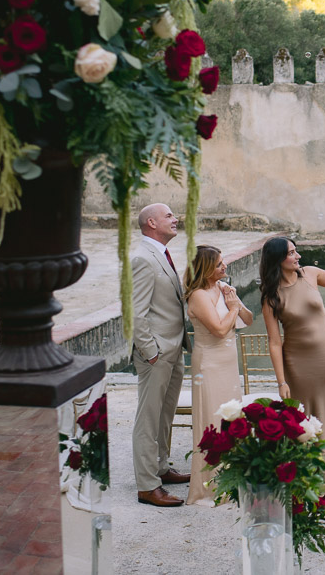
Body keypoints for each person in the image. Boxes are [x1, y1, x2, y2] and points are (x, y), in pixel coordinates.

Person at [259, 230, 325, 456]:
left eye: (296, 251)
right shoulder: (271, 296)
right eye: (292, 253)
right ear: (278, 259)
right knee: (301, 415)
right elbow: (274, 342)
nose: (298, 256)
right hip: (296, 363)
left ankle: (324, 463)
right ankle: (303, 466)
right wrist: (281, 381)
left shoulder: (311, 274)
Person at [131, 203, 193, 507]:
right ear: (152, 222)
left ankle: (161, 468)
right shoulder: (142, 258)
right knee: (148, 419)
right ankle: (147, 486)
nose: (175, 219)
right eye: (169, 215)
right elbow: (135, 314)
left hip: (173, 348)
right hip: (157, 353)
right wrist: (151, 352)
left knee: (165, 416)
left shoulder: (161, 254)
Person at [184, 245, 253, 506]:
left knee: (231, 419)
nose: (225, 267)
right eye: (219, 264)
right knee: (212, 420)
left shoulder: (222, 288)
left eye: (224, 262)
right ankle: (209, 487)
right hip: (210, 364)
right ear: (205, 268)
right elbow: (219, 330)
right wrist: (233, 308)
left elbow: (248, 319)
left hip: (227, 362)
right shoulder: (199, 295)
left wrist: (235, 302)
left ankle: (231, 478)